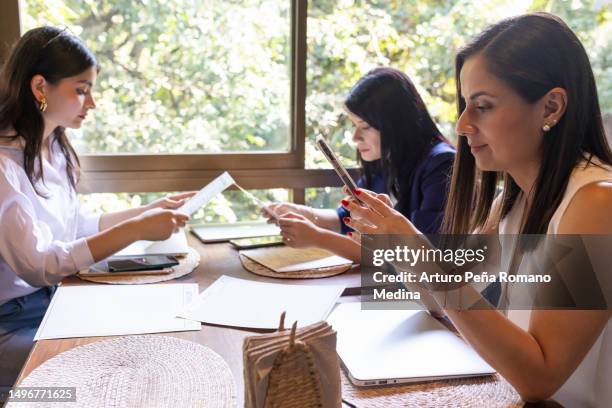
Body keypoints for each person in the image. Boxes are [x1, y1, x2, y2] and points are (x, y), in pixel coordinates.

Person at [341, 12, 612, 405]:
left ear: (551, 107)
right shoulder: (514, 198)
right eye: (465, 105)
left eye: (482, 106)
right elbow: (438, 301)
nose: (463, 125)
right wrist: (397, 240)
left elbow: (540, 376)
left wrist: (422, 257)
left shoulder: (597, 202)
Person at [0, 26, 193, 388]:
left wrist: (144, 212)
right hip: (9, 324)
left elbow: (71, 228)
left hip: (53, 301)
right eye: (81, 90)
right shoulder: (4, 167)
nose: (91, 103)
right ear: (40, 88)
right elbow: (41, 266)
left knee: (147, 337)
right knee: (108, 372)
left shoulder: (52, 147)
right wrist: (136, 229)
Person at [265, 67, 455, 262]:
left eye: (365, 127)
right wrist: (303, 214)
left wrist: (318, 238)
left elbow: (422, 257)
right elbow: (346, 219)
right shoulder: (386, 159)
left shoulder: (442, 166)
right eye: (355, 126)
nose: (356, 138)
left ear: (396, 124)